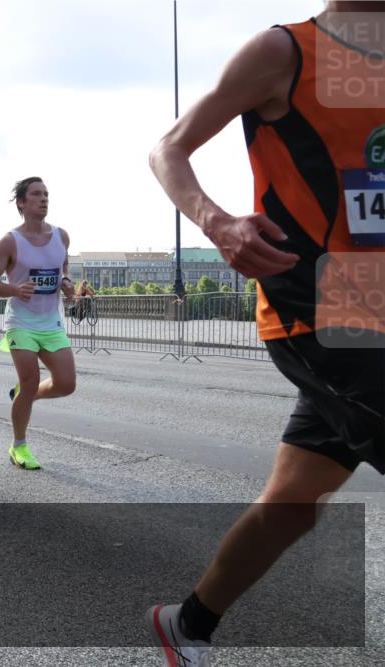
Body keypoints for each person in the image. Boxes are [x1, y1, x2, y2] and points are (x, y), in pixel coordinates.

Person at [146, 4, 385, 664]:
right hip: (316, 309)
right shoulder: (286, 53)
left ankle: (186, 623)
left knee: (292, 505)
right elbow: (167, 148)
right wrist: (218, 222)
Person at [0, 177, 76, 471]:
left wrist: (65, 281)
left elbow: (62, 265)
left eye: (46, 194)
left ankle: (24, 394)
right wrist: (14, 290)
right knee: (30, 379)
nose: (44, 199)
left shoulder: (62, 236)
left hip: (51, 323)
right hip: (20, 322)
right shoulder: (10, 241)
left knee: (67, 384)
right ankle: (19, 445)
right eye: (36, 194)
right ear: (21, 202)